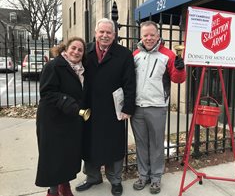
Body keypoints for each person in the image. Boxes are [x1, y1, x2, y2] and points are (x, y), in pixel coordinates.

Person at [76, 18, 136, 196]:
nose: (104, 35)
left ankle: (115, 180)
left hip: (113, 108)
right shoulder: (85, 51)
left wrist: (128, 107)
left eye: (109, 32)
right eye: (101, 32)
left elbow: (130, 83)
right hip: (89, 107)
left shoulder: (124, 54)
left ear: (114, 35)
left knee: (114, 145)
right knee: (89, 143)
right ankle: (93, 177)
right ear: (95, 33)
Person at [131, 20, 186, 194]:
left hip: (157, 106)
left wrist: (180, 68)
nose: (148, 38)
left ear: (158, 35)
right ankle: (143, 175)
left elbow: (178, 79)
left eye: (152, 35)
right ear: (141, 36)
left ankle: (156, 178)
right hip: (137, 107)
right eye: (145, 35)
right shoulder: (135, 55)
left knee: (156, 144)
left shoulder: (168, 54)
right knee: (141, 143)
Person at [35, 37, 87, 196]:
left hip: (70, 119)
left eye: (80, 50)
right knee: (53, 158)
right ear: (65, 48)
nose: (76, 52)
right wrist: (68, 103)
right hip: (52, 120)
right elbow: (47, 92)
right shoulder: (54, 65)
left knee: (67, 155)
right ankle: (52, 192)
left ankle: (65, 185)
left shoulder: (81, 68)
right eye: (73, 48)